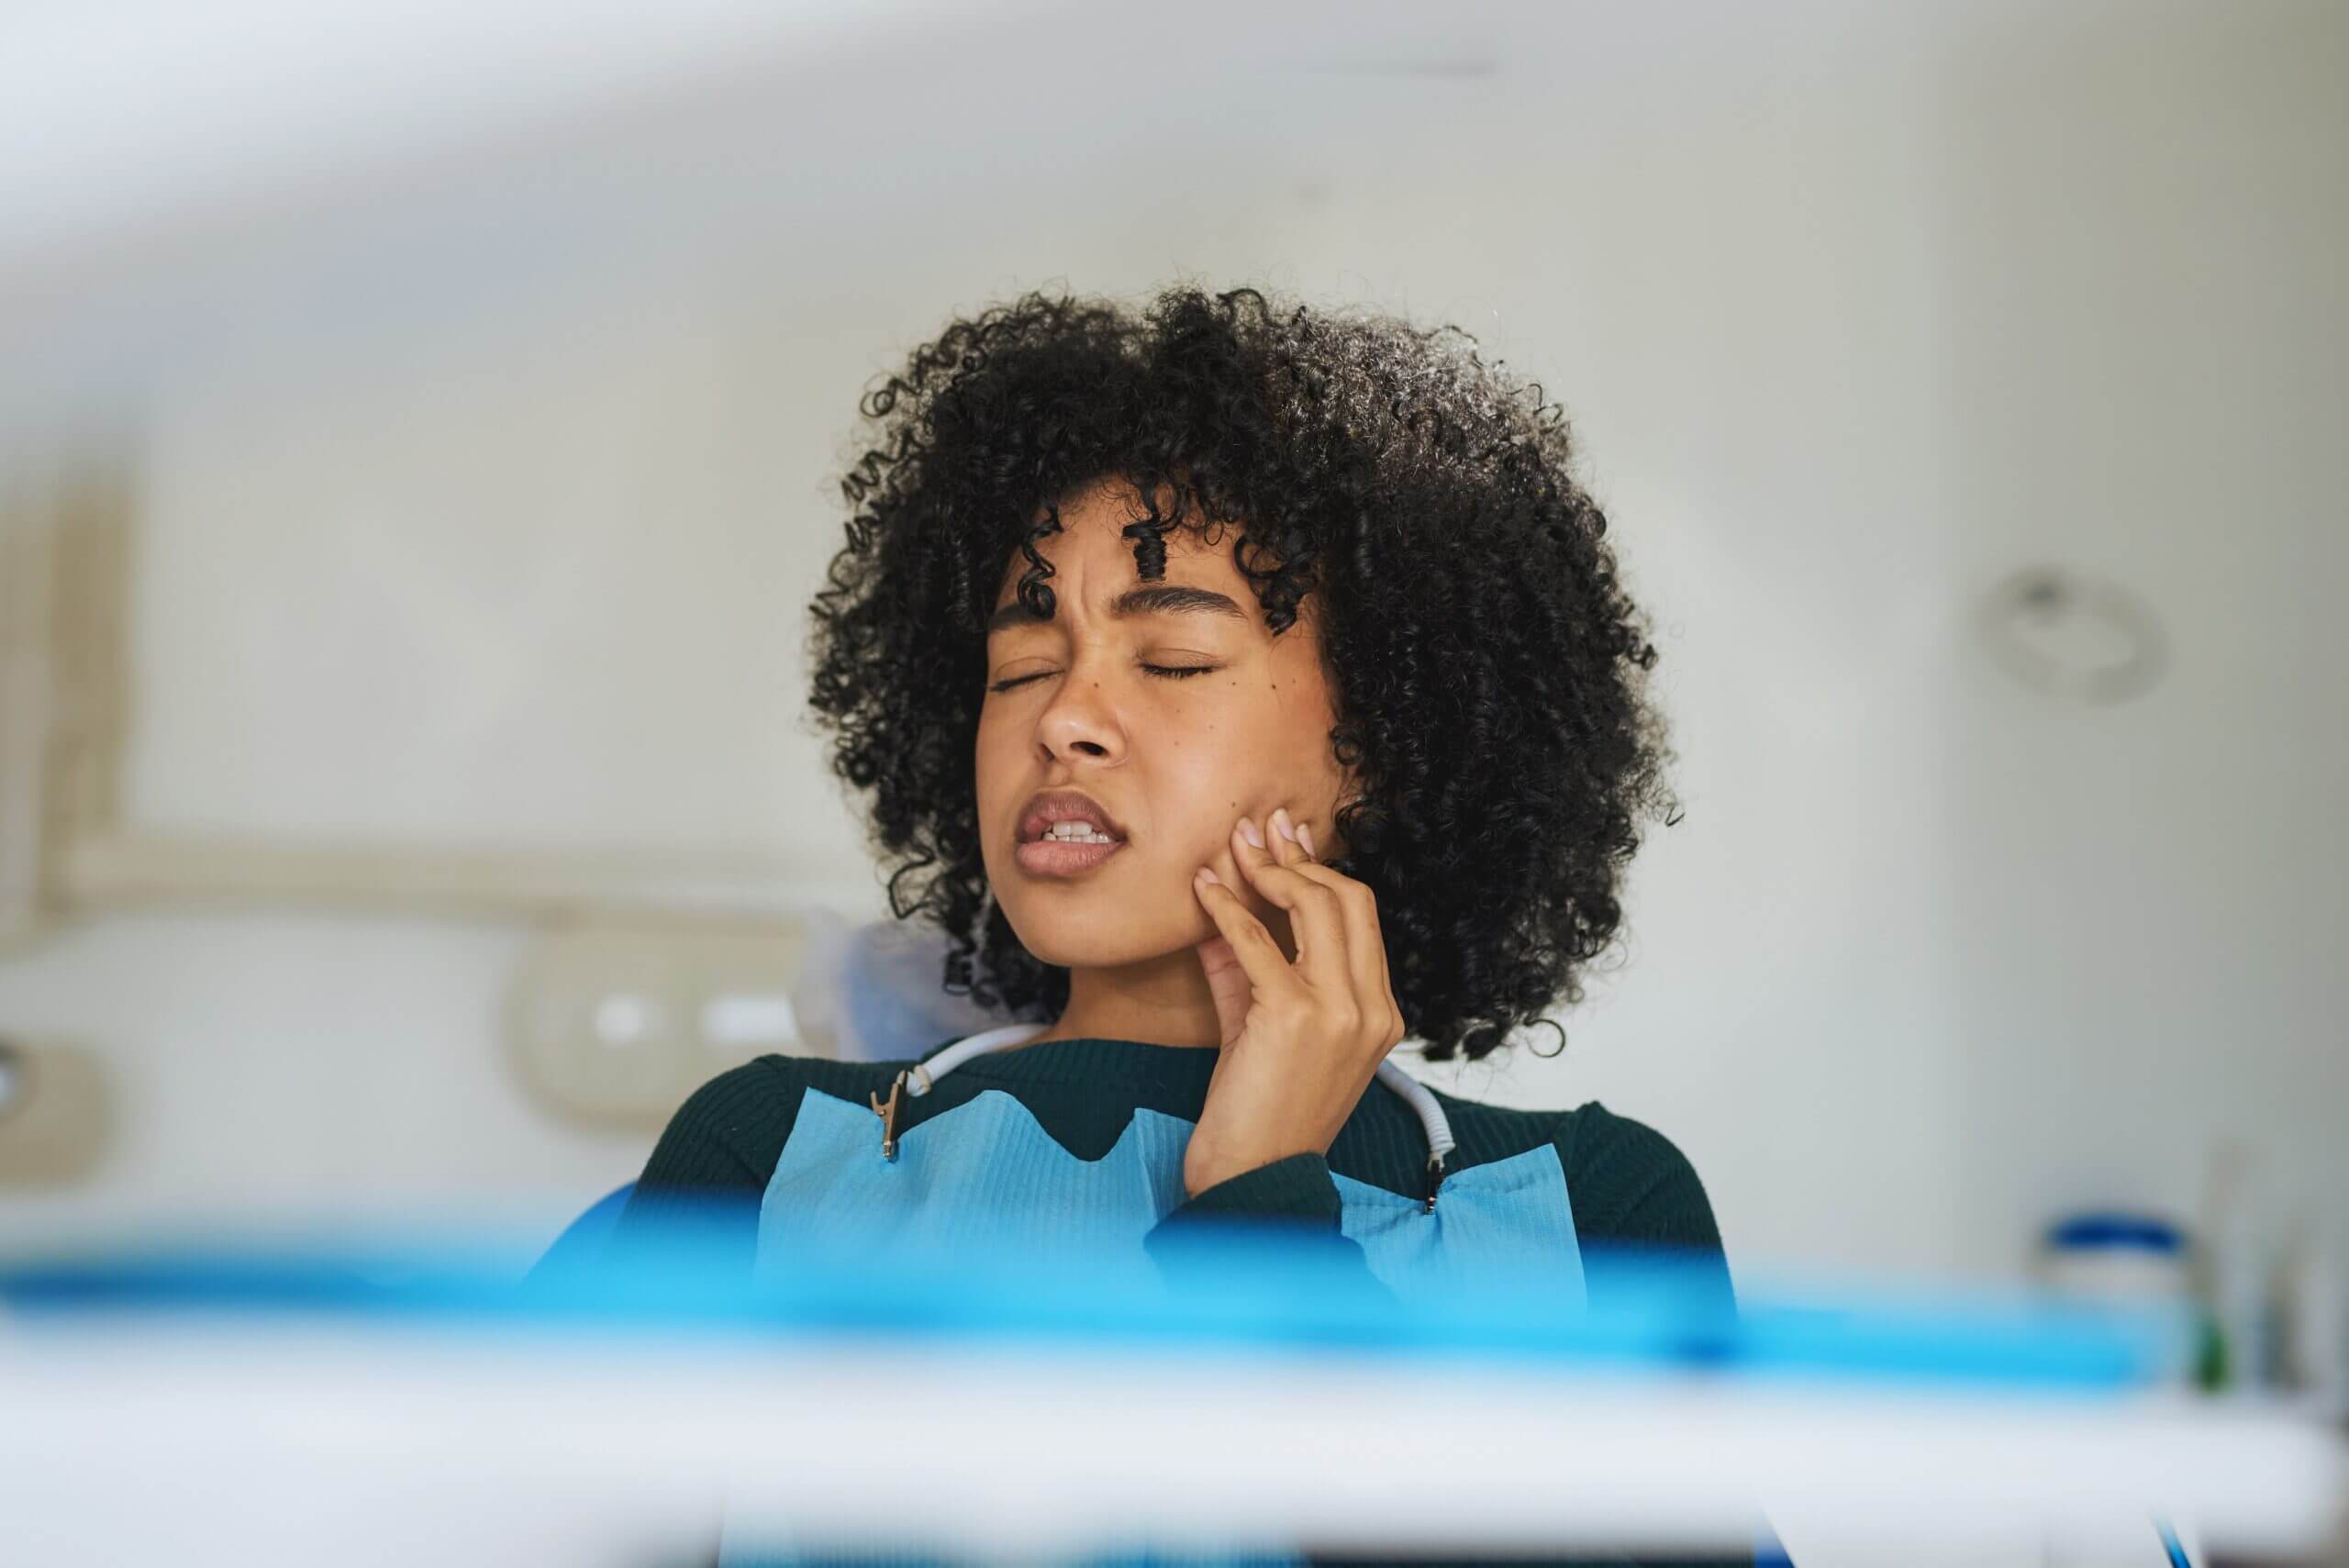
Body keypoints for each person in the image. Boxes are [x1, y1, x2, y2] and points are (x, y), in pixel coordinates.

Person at [604, 284, 1737, 1567]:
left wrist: (1260, 1199)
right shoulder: (767, 1153)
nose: (1064, 719)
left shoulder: (1591, 1209)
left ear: (1388, 747)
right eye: (1022, 664)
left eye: (1173, 662)